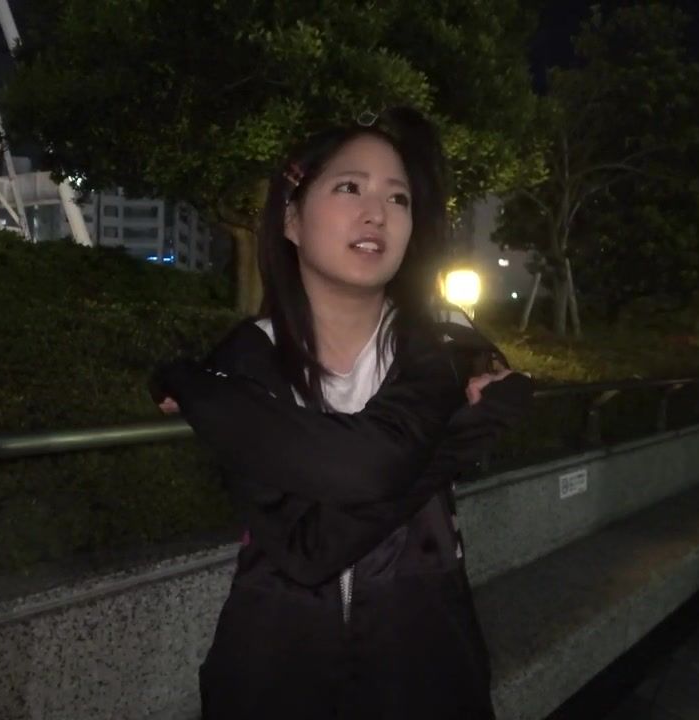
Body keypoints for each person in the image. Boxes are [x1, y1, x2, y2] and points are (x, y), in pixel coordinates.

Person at [150, 107, 533, 719]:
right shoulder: (244, 363)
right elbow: (306, 549)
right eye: (350, 187)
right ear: (291, 219)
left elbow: (372, 465)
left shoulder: (445, 346)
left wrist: (194, 390)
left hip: (428, 669)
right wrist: (463, 437)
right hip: (272, 673)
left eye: (398, 197)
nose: (377, 212)